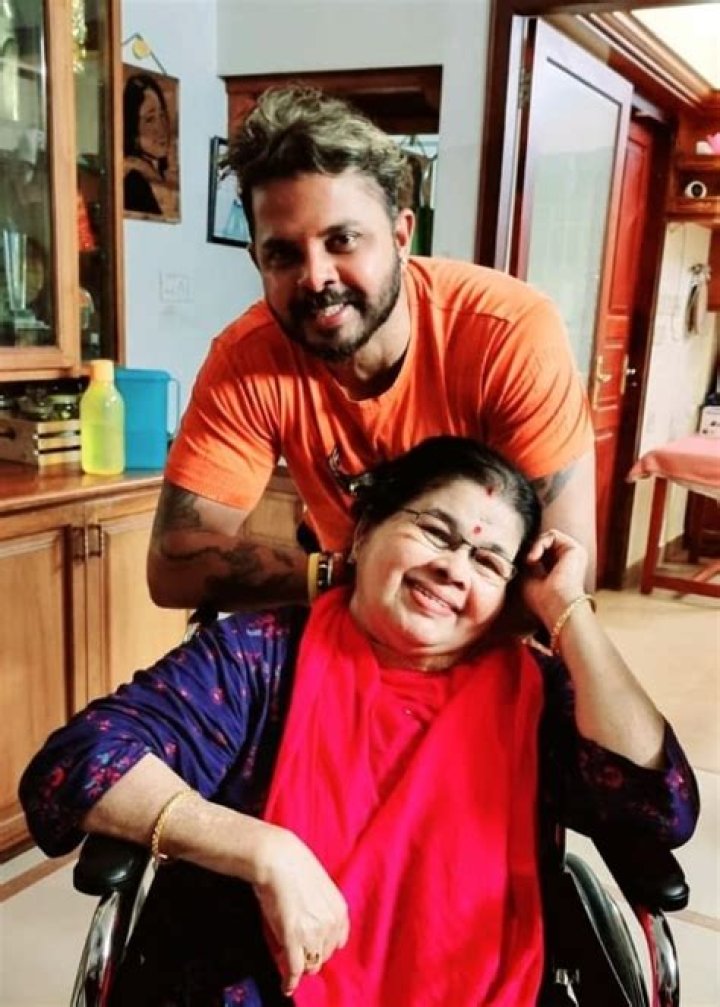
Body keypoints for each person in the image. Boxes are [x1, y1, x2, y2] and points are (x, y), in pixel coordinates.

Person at [21, 437, 697, 1007]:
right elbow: (77, 762)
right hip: (256, 974)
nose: (452, 568)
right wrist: (265, 850)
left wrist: (567, 611)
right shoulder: (260, 657)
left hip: (484, 982)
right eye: (434, 531)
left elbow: (659, 804)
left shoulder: (535, 694)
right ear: (366, 529)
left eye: (489, 561)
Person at [148, 85, 597, 615]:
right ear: (257, 262)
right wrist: (352, 575)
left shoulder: (510, 333)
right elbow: (172, 568)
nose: (316, 277)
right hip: (348, 597)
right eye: (284, 254)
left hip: (479, 615)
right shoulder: (247, 358)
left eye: (342, 241)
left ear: (402, 237)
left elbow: (566, 578)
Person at [123, 72, 176, 218]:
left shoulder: (157, 175)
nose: (161, 127)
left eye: (162, 115)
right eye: (150, 119)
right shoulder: (134, 182)